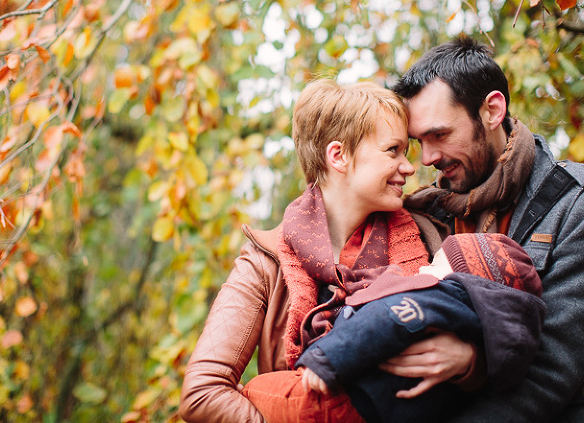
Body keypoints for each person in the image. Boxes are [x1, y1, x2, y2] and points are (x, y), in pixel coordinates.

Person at [386, 36, 584, 422]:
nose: (427, 158)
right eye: (419, 142)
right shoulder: (428, 214)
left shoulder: (581, 207)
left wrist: (472, 362)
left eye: (440, 135)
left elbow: (550, 374)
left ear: (492, 111)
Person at [179, 79, 431, 422]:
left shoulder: (427, 236)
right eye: (393, 150)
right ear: (338, 155)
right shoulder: (263, 262)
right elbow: (201, 393)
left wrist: (468, 363)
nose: (409, 167)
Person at [296, 232, 546, 423]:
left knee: (260, 391)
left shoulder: (434, 297)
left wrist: (326, 358)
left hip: (350, 396)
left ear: (464, 280)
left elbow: (385, 317)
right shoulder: (485, 328)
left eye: (435, 263)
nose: (423, 268)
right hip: (395, 409)